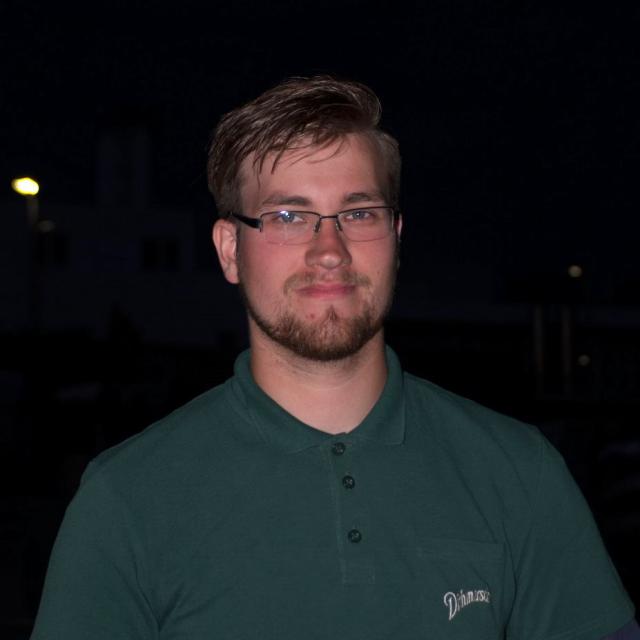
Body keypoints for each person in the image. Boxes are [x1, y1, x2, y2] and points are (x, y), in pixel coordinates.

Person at [31, 76, 637, 639]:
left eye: (358, 212)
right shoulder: (126, 499)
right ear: (229, 249)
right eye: (288, 216)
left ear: (396, 237)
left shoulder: (520, 474)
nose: (330, 250)